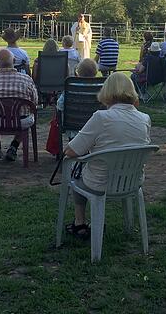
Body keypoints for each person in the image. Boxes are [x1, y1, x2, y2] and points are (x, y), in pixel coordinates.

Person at [63, 73, 151, 239]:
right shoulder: (145, 118)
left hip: (100, 182)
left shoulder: (101, 117)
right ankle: (126, 224)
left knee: (76, 174)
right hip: (131, 181)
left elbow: (72, 151)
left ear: (106, 92)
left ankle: (79, 222)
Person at [0, 48, 39, 161]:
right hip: (22, 121)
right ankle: (14, 146)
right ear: (14, 61)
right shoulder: (27, 80)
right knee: (25, 115)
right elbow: (34, 102)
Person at [55, 58, 99, 140]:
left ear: (78, 72)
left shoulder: (72, 86)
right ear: (96, 72)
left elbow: (60, 105)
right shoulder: (100, 87)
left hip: (73, 125)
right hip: (95, 126)